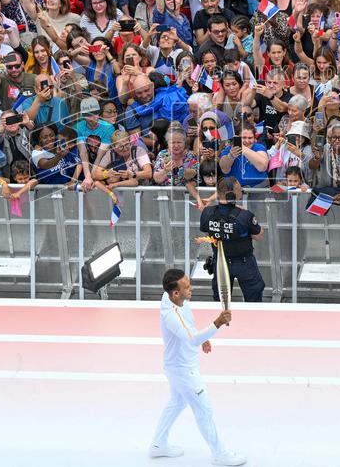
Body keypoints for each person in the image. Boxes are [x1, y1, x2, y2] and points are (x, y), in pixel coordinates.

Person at [149, 268, 241, 466]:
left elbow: (190, 329)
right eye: (187, 287)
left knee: (177, 403)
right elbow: (191, 338)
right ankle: (220, 453)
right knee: (204, 410)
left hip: (177, 367)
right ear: (175, 293)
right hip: (183, 372)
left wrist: (203, 338)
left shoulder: (176, 300)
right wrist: (217, 323)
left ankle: (157, 445)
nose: (191, 289)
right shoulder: (170, 315)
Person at [198, 176, 264, 303]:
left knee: (221, 302)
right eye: (239, 190)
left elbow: (208, 232)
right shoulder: (245, 215)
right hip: (244, 263)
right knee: (253, 300)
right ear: (230, 194)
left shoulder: (207, 213)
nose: (241, 191)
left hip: (220, 263)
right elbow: (259, 235)